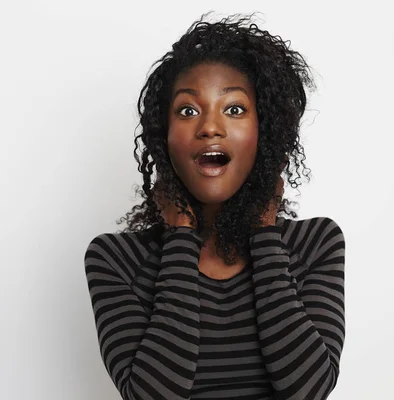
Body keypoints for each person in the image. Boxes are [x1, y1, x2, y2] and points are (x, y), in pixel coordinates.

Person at [84, 14, 346, 400]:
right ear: (164, 136)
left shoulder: (316, 243)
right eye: (188, 111)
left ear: (265, 130)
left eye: (235, 109)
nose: (210, 126)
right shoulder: (116, 259)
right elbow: (152, 395)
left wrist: (264, 231)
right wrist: (179, 236)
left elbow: (308, 390)